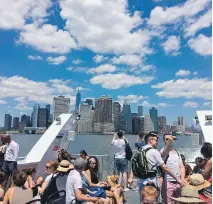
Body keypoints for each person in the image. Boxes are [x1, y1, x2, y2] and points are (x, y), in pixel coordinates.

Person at [134, 132, 182, 203]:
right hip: (151, 182)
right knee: (154, 201)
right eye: (155, 140)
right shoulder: (154, 151)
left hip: (141, 181)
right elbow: (165, 167)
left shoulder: (140, 150)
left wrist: (131, 176)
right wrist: (177, 178)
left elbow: (135, 164)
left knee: (143, 201)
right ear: (150, 140)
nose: (157, 142)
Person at [161, 134, 186, 204]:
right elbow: (166, 150)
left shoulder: (177, 153)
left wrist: (182, 179)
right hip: (168, 182)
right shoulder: (163, 151)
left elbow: (181, 167)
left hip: (178, 182)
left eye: (170, 139)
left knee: (179, 202)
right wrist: (170, 141)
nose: (169, 140)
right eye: (167, 139)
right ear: (164, 141)